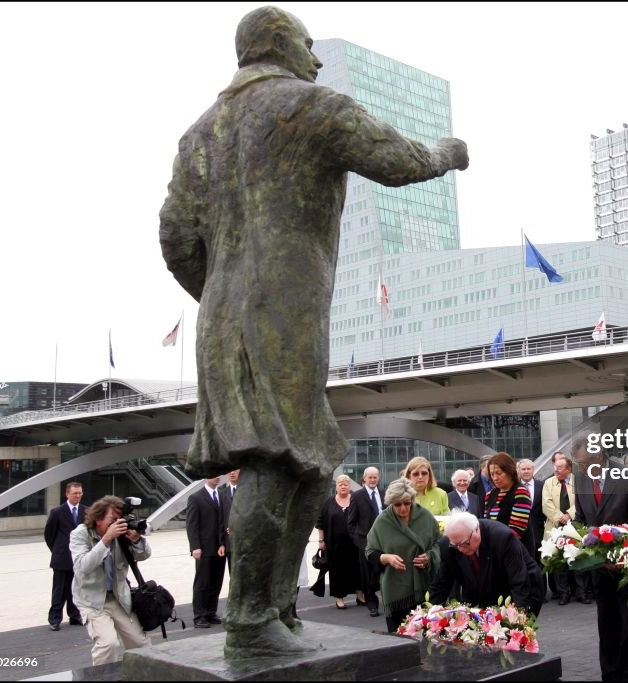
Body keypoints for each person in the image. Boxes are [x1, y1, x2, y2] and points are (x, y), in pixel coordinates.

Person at [158, 5, 467, 657]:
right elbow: (397, 157)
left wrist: (223, 297)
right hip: (282, 313)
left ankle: (274, 604)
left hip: (225, 317)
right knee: (274, 456)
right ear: (276, 43)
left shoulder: (198, 135)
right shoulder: (307, 105)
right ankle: (249, 616)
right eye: (306, 42)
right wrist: (447, 153)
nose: (317, 57)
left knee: (314, 464)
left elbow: (176, 239)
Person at [571, 436, 628, 682]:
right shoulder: (582, 478)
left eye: (585, 463)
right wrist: (571, 539)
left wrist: (624, 553)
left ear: (600, 457)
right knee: (607, 631)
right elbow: (582, 519)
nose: (581, 469)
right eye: (578, 464)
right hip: (601, 571)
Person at [70, 495, 151, 665]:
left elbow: (144, 555)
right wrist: (106, 539)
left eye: (120, 519)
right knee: (108, 644)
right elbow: (82, 567)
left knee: (141, 644)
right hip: (92, 600)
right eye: (113, 520)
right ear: (98, 519)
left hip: (118, 597)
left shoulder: (120, 535)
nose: (118, 523)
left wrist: (136, 540)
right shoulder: (80, 534)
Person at [429, 513, 544, 616]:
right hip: (479, 593)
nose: (461, 549)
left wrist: (519, 618)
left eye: (465, 543)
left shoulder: (502, 538)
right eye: (456, 545)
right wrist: (427, 613)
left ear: (476, 530)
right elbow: (441, 583)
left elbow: (519, 581)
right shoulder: (449, 545)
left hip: (517, 589)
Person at [365, 479, 441, 633]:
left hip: (425, 585)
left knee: (426, 635)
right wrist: (386, 558)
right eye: (397, 505)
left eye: (407, 503)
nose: (403, 508)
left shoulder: (425, 517)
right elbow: (370, 551)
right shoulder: (382, 522)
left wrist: (429, 556)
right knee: (399, 636)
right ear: (390, 503)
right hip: (396, 588)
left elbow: (439, 544)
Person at [541, 451, 590, 605]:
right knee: (559, 561)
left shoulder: (579, 481)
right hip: (555, 527)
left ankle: (581, 592)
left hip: (576, 525)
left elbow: (583, 500)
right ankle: (563, 593)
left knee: (578, 558)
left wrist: (569, 515)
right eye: (556, 468)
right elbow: (546, 503)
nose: (556, 470)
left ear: (569, 469)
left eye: (560, 468)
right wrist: (559, 517)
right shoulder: (548, 483)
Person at [316, 475, 362, 610]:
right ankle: (339, 598)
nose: (343, 486)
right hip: (334, 544)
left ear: (349, 486)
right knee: (337, 570)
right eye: (340, 484)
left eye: (346, 484)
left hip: (354, 543)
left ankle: (360, 595)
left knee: (357, 569)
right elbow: (321, 522)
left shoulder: (356, 500)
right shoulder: (328, 502)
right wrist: (321, 540)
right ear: (336, 487)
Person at [186, 476, 227, 629]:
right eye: (213, 474)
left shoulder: (221, 496)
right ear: (205, 477)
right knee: (202, 582)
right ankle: (199, 615)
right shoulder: (195, 497)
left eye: (218, 475)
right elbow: (191, 524)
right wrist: (195, 546)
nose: (217, 477)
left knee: (216, 581)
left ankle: (211, 612)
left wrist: (223, 542)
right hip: (204, 548)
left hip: (220, 547)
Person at [44, 481, 85, 631]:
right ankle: (55, 619)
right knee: (59, 590)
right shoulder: (57, 512)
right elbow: (49, 534)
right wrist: (57, 550)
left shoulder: (85, 511)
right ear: (67, 494)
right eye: (75, 493)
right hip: (61, 558)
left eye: (80, 493)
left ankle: (74, 615)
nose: (78, 496)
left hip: (79, 558)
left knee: (76, 589)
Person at [482, 452, 536, 560]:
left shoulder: (520, 492)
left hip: (516, 553)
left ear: (510, 471)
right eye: (492, 474)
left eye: (499, 473)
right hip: (495, 552)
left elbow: (516, 529)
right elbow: (486, 524)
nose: (495, 478)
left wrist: (495, 546)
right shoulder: (489, 495)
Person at [348, 466, 384, 617]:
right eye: (370, 477)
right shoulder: (357, 496)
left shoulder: (384, 494)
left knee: (384, 574)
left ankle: (389, 603)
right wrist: (360, 543)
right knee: (368, 576)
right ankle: (372, 605)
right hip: (366, 543)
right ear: (364, 478)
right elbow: (351, 522)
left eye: (375, 476)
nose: (373, 479)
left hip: (384, 541)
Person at [517, 458, 546, 568]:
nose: (526, 471)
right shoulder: (515, 487)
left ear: (533, 470)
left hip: (539, 533)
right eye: (523, 469)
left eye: (528, 469)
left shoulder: (542, 486)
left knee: (540, 566)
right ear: (519, 471)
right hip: (521, 534)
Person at [219, 469, 240, 575]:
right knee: (233, 574)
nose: (232, 473)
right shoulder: (222, 494)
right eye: (230, 471)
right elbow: (220, 520)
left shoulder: (248, 493)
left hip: (244, 542)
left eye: (235, 470)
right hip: (229, 544)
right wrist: (221, 543)